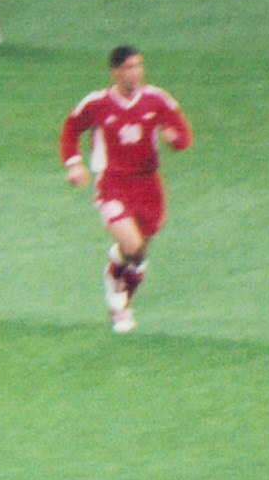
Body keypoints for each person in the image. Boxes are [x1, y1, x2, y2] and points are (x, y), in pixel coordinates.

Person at [60, 45, 192, 333]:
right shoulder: (97, 103)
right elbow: (70, 129)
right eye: (129, 67)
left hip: (148, 186)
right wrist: (74, 164)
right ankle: (120, 308)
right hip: (113, 184)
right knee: (133, 248)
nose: (136, 72)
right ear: (116, 72)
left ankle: (116, 282)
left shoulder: (157, 100)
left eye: (139, 66)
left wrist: (175, 140)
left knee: (137, 252)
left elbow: (183, 135)